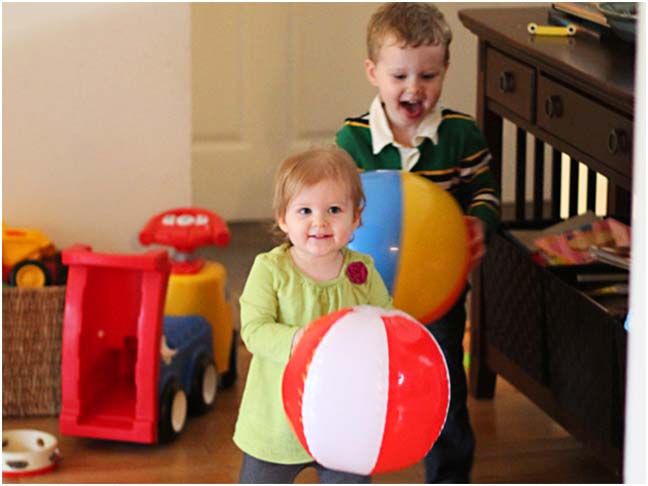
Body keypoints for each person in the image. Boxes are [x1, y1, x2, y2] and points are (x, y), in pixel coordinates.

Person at [336, 3, 501, 483]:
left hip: (439, 295)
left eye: (428, 75)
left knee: (443, 384)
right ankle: (350, 466)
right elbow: (332, 201)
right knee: (364, 385)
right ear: (373, 73)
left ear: (446, 68)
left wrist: (478, 222)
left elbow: (484, 190)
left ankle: (449, 475)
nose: (414, 89)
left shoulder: (461, 135)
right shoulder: (352, 140)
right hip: (364, 292)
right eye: (400, 75)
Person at [233, 146, 393, 484]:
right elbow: (254, 330)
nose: (319, 222)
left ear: (356, 218)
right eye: (304, 210)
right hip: (277, 422)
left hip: (344, 421)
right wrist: (297, 339)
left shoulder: (361, 271)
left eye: (334, 209)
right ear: (282, 218)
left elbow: (386, 324)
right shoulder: (270, 270)